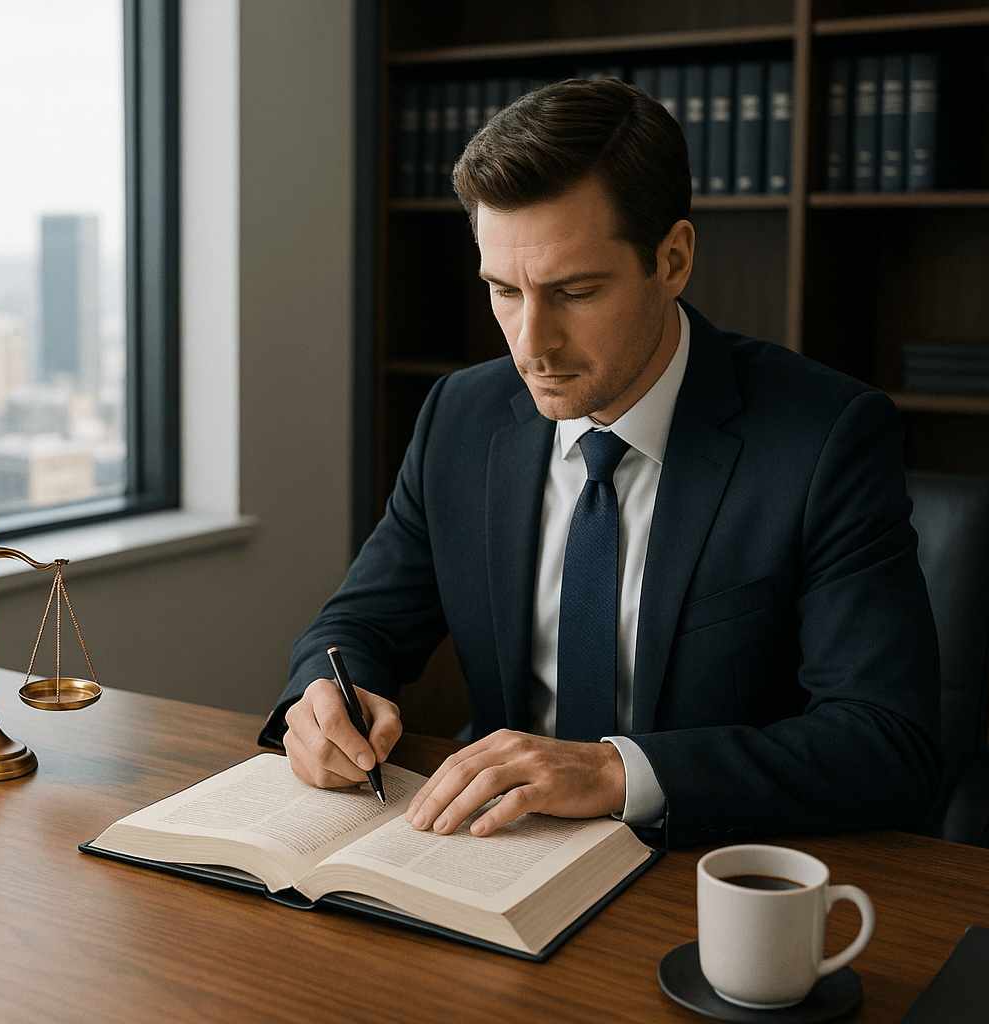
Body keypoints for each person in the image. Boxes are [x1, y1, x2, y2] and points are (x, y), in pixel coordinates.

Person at [257, 77, 939, 849]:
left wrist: (614, 773)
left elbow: (886, 741)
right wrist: (323, 696)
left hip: (711, 866)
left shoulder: (825, 439)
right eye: (503, 290)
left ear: (673, 259)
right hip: (492, 851)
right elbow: (361, 624)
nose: (530, 344)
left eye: (574, 291)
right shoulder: (460, 417)